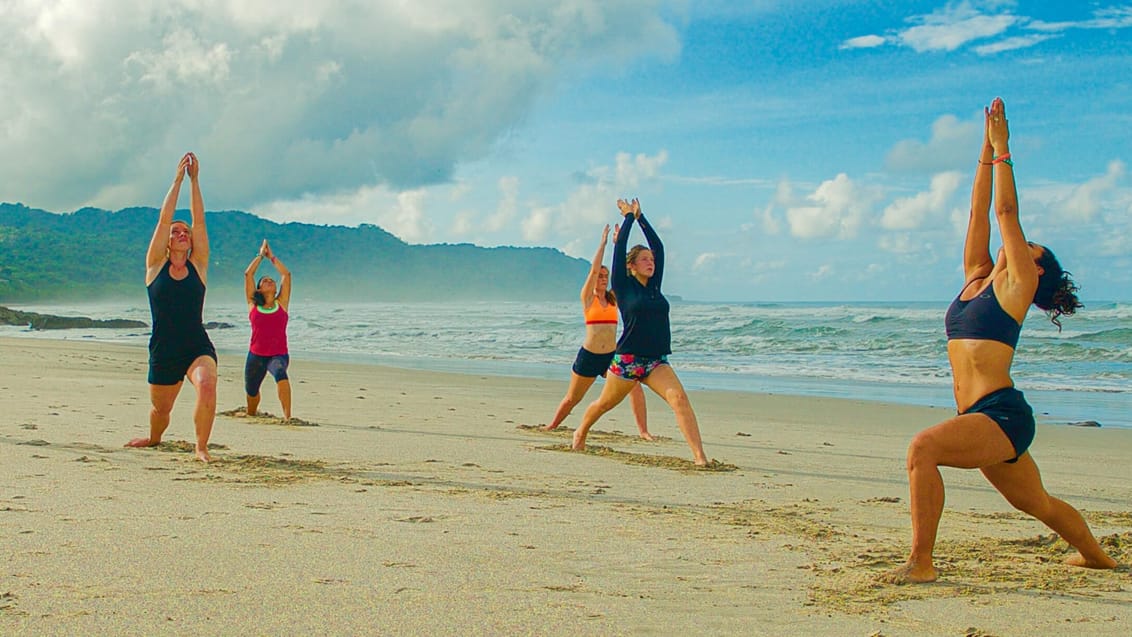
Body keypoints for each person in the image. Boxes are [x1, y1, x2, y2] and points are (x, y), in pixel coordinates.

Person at [882, 98, 1117, 583]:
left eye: (1029, 245)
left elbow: (1005, 210)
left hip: (1000, 414)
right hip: (983, 419)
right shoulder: (977, 277)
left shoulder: (1017, 289)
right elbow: (979, 213)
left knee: (922, 449)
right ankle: (1098, 556)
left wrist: (1005, 147)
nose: (1020, 242)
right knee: (1039, 504)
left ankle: (920, 563)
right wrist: (984, 150)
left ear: (1036, 269)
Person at [572, 198, 709, 465]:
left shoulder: (654, 287)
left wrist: (641, 216)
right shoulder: (623, 286)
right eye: (644, 259)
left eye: (651, 260)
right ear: (631, 266)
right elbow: (621, 246)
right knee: (604, 404)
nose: (651, 262)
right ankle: (580, 431)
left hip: (656, 361)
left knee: (679, 399)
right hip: (628, 361)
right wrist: (628, 218)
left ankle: (700, 457)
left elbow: (659, 247)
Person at [127, 152, 218, 463]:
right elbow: (163, 218)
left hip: (196, 345)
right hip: (163, 349)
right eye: (175, 232)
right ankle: (154, 438)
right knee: (161, 410)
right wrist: (177, 179)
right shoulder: (154, 266)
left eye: (186, 233)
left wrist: (195, 181)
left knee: (206, 385)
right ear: (166, 241)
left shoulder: (199, 265)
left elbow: (200, 220)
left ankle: (201, 447)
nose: (182, 234)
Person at [544, 224, 651, 439]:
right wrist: (602, 243)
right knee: (573, 398)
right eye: (600, 276)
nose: (602, 278)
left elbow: (624, 273)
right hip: (589, 356)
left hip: (611, 357)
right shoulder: (588, 299)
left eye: (605, 276)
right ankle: (552, 425)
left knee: (635, 388)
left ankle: (644, 431)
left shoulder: (614, 298)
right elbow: (593, 270)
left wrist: (617, 244)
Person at [243, 239, 293, 421]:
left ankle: (288, 417)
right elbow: (248, 275)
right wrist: (260, 255)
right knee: (251, 390)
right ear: (259, 289)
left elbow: (286, 275)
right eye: (265, 281)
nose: (270, 281)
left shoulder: (282, 303)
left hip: (278, 354)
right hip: (255, 355)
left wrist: (271, 257)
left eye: (271, 280)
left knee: (281, 373)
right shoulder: (252, 305)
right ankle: (251, 413)